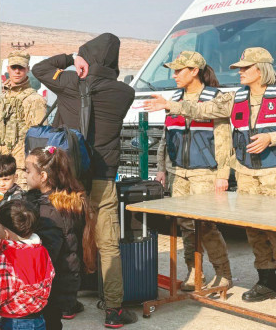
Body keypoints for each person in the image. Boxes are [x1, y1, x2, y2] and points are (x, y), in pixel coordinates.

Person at [143, 47, 276, 303]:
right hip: (247, 174)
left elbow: (222, 138)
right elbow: (203, 111)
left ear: (261, 70)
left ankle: (236, 275)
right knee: (254, 231)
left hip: (271, 173)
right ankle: (266, 281)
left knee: (273, 229)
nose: (239, 72)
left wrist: (271, 137)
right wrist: (170, 105)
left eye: (245, 68)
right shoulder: (234, 98)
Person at [32, 33, 137, 327]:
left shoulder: (69, 84)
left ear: (85, 59)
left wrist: (69, 60)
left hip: (70, 181)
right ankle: (114, 310)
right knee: (109, 245)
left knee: (66, 239)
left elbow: (39, 69)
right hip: (103, 180)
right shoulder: (123, 93)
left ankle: (67, 303)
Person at [155, 51, 233, 291]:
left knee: (207, 226)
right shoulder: (175, 98)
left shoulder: (216, 98)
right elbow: (165, 138)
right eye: (174, 70)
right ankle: (194, 271)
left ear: (194, 71)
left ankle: (223, 273)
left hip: (205, 173)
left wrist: (222, 175)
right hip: (179, 172)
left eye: (179, 70)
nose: (175, 75)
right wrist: (161, 168)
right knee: (187, 226)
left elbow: (223, 140)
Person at [26, 147, 97, 329]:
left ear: (42, 176)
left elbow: (47, 254)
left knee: (49, 322)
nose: (24, 175)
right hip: (64, 280)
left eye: (27, 171)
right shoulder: (63, 201)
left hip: (54, 285)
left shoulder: (49, 211)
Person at [0, 199, 55, 330]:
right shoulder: (42, 251)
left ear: (6, 233)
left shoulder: (7, 260)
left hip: (15, 323)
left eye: (0, 226)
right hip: (38, 320)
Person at [0, 51, 47, 189]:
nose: (17, 72)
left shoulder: (34, 100)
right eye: (14, 68)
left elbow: (39, 139)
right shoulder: (0, 100)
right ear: (8, 69)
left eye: (21, 68)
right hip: (1, 169)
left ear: (27, 69)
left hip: (21, 170)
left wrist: (35, 169)